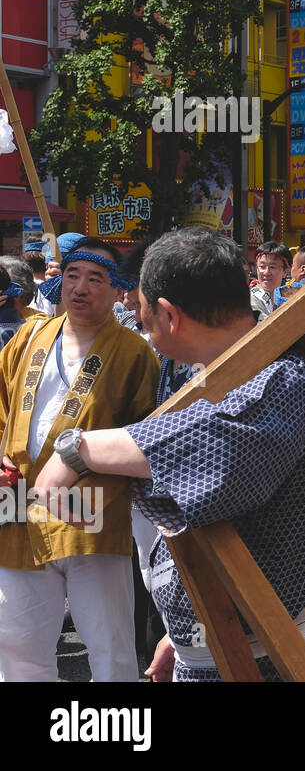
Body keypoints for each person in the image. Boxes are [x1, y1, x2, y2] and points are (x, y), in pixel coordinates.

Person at [31, 228, 305, 681]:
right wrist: (182, 634)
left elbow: (213, 447)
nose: (140, 325)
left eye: (141, 315)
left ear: (168, 314)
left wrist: (76, 449)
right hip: (215, 631)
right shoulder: (199, 371)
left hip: (277, 647)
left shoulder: (282, 378)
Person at [0, 237, 161, 681]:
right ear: (59, 283)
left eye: (96, 278)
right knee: (17, 643)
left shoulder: (134, 353)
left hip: (92, 509)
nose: (81, 287)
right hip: (15, 506)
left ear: (117, 290)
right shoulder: (27, 338)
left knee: (108, 644)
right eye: (72, 275)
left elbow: (144, 436)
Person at [250, 241, 290, 322]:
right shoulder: (252, 298)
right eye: (262, 266)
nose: (266, 272)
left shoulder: (291, 296)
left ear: (285, 271)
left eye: (272, 267)